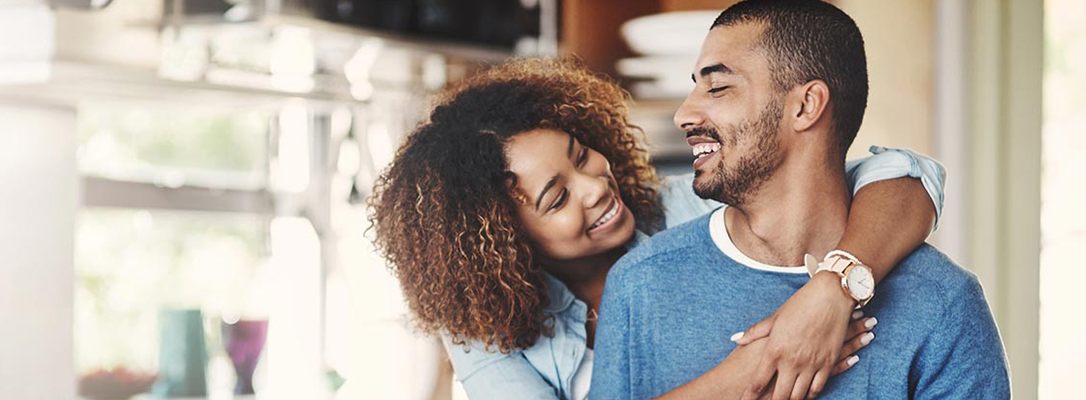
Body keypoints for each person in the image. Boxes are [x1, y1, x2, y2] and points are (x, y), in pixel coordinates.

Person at [366, 57, 945, 400]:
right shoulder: (481, 327)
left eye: (580, 153)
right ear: (506, 245)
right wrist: (746, 373)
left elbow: (905, 174)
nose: (595, 185)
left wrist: (833, 288)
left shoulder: (693, 210)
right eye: (557, 196)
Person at [590, 1, 1009, 400]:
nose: (684, 114)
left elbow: (912, 172)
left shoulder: (943, 305)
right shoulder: (639, 285)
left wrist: (836, 287)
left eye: (717, 87)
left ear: (806, 105)